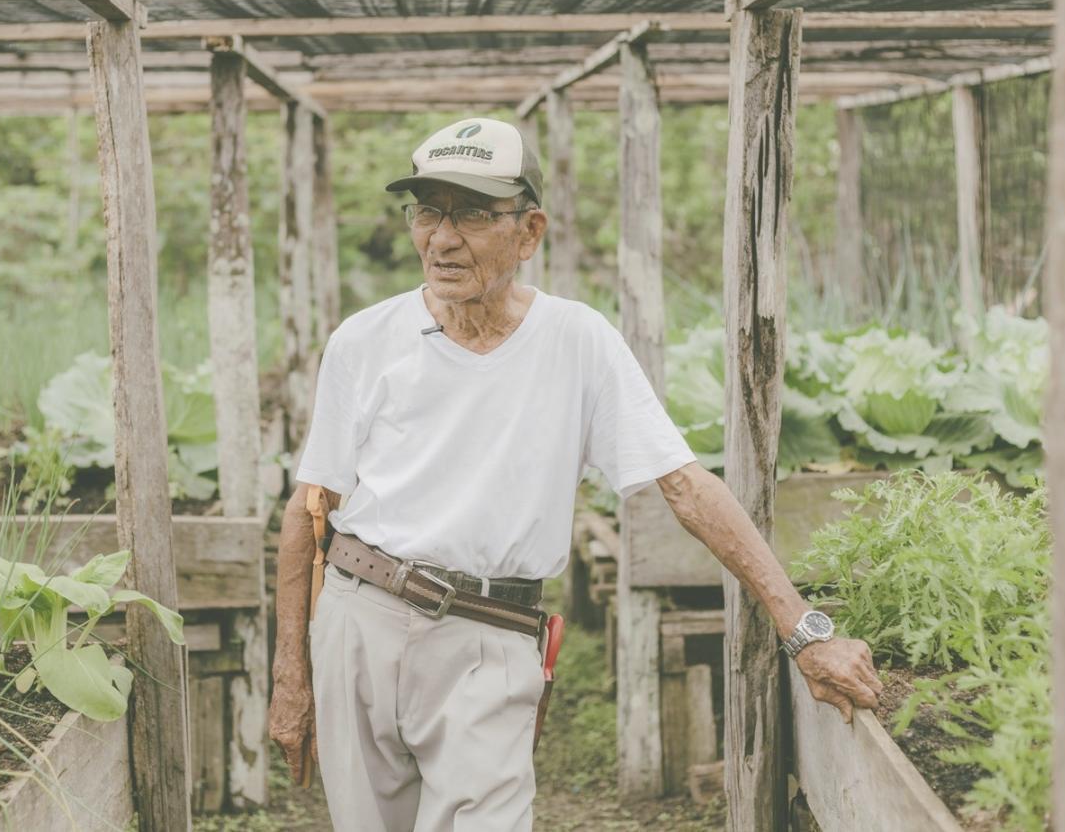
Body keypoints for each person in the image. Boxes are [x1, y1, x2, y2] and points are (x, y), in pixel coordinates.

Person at [268, 117, 881, 831]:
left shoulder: (577, 340)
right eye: (427, 210)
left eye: (471, 212)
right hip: (359, 617)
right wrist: (292, 672)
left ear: (529, 231)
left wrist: (803, 628)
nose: (441, 236)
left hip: (489, 635)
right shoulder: (365, 339)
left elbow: (684, 485)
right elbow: (309, 507)